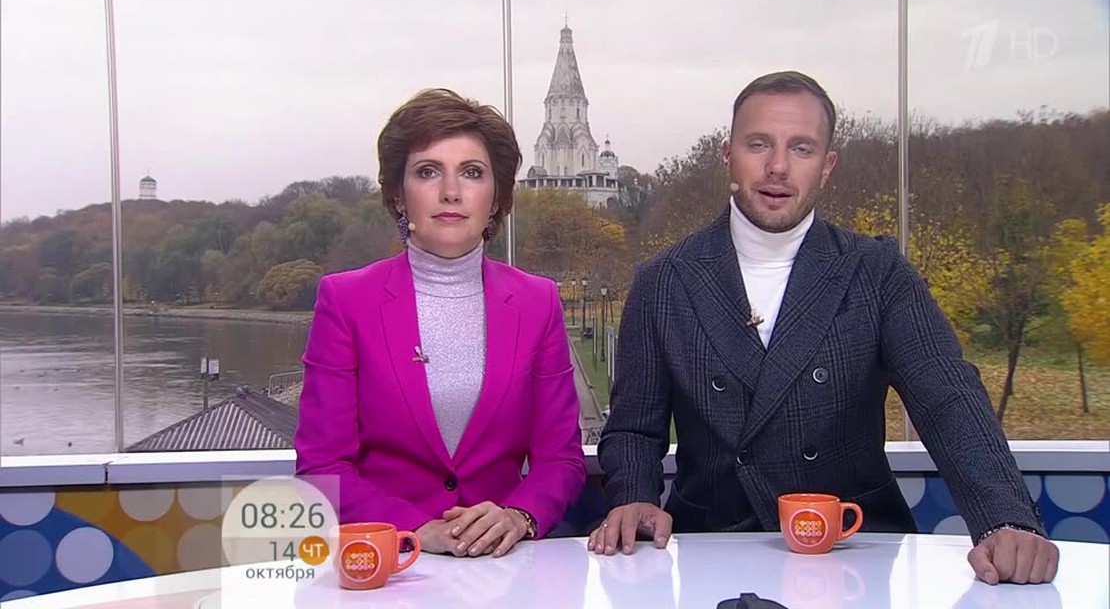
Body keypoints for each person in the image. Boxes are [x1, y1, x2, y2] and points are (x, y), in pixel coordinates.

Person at [589, 71, 1059, 585]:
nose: (777, 167)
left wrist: (1006, 519)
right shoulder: (663, 281)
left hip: (855, 554)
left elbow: (948, 398)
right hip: (711, 547)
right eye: (758, 144)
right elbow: (634, 428)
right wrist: (633, 496)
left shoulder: (878, 274)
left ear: (827, 167)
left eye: (802, 149)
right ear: (728, 155)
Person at [295, 88, 586, 558]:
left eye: (472, 173)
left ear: (497, 198)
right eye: (428, 171)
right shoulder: (345, 301)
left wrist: (518, 515)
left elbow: (561, 460)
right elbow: (322, 468)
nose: (451, 191)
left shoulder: (539, 302)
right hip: (388, 566)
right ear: (398, 195)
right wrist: (418, 530)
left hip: (503, 565)